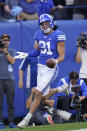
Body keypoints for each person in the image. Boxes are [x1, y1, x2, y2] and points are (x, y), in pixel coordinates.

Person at [17, 13, 66, 128]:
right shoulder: (38, 34)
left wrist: (55, 61)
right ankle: (61, 88)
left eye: (46, 23)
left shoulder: (59, 35)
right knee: (43, 97)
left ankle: (26, 120)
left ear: (51, 22)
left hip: (51, 68)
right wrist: (27, 54)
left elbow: (62, 56)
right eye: (42, 24)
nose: (44, 26)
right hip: (40, 67)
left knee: (37, 93)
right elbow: (38, 51)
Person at [0, 34, 16, 129]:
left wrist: (5, 52)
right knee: (0, 103)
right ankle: (0, 122)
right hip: (0, 80)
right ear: (1, 41)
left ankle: (11, 122)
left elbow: (12, 61)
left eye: (8, 40)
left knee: (10, 103)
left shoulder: (11, 51)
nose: (6, 42)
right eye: (4, 40)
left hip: (9, 80)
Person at [75, 32, 87, 118]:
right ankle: (84, 115)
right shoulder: (82, 50)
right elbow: (78, 60)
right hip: (83, 75)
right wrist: (78, 47)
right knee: (84, 97)